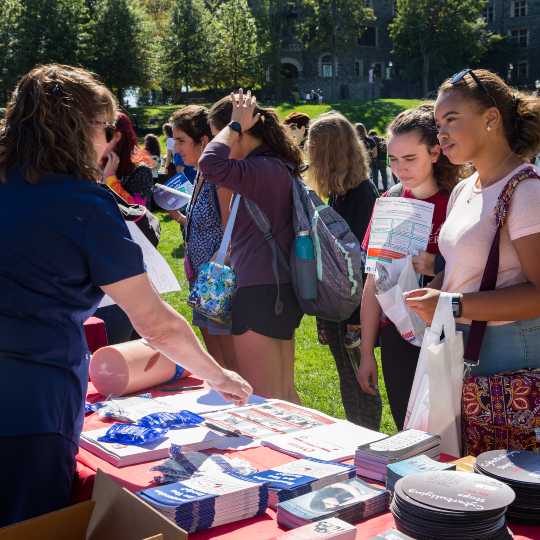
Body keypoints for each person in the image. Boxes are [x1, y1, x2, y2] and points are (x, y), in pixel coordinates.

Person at [0, 64, 252, 526]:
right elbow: (154, 323)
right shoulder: (81, 203)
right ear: (79, 129)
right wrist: (218, 376)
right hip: (28, 407)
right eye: (106, 128)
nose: (111, 141)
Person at [405, 69, 540, 377]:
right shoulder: (465, 188)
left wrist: (451, 304)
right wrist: (426, 296)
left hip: (509, 360)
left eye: (451, 119)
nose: (442, 133)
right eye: (438, 124)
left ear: (491, 119)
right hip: (459, 347)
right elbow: (461, 270)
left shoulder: (527, 191)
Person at [358, 104, 462, 430]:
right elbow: (373, 282)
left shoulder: (457, 201)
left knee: (447, 430)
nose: (400, 169)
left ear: (435, 152)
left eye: (410, 158)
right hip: (397, 337)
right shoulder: (388, 202)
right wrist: (365, 353)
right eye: (393, 159)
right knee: (407, 428)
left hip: (446, 333)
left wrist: (439, 264)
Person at [199, 90, 304, 402]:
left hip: (260, 291)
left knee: (265, 401)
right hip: (273, 288)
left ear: (241, 131)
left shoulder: (262, 169)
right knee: (283, 395)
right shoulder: (270, 166)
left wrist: (231, 127)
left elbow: (210, 165)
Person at [305, 112, 381, 430]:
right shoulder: (339, 194)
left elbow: (365, 266)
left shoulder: (363, 196)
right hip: (339, 309)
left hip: (356, 312)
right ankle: (358, 441)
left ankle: (367, 443)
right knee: (348, 382)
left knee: (361, 386)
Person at [167, 105, 237, 371]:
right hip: (202, 280)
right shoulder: (199, 175)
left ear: (204, 141)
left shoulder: (219, 177)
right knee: (216, 366)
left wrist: (212, 269)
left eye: (182, 141)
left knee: (231, 366)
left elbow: (230, 226)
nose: (176, 149)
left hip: (217, 282)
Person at [101, 112, 154, 207]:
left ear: (117, 136)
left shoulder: (141, 170)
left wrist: (110, 179)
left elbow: (140, 209)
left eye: (102, 134)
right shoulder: (96, 163)